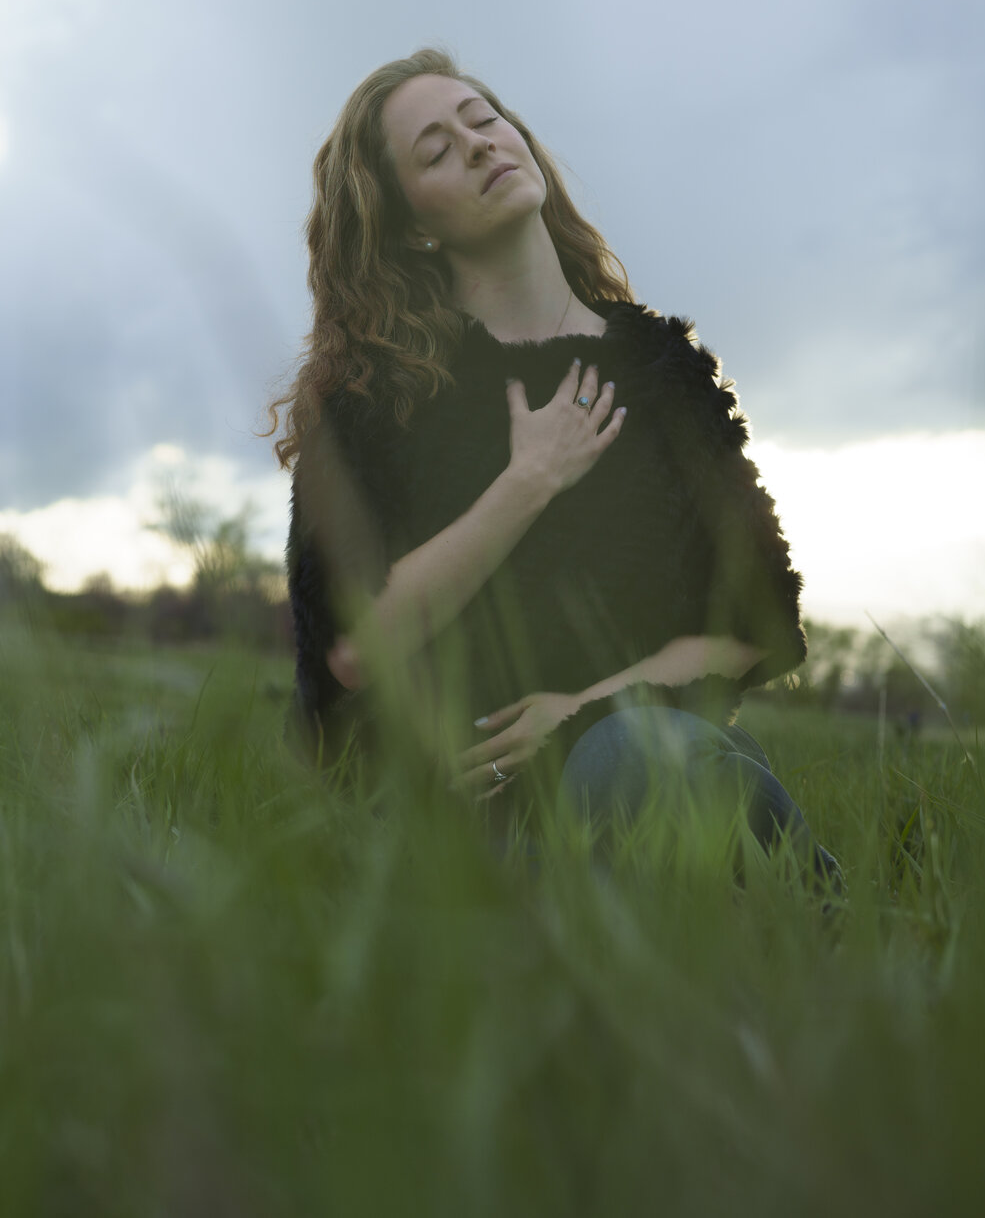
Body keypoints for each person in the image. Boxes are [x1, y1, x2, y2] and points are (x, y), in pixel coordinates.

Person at [263, 46, 842, 893]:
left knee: (643, 754)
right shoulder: (374, 398)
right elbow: (346, 653)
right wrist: (526, 482)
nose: (476, 144)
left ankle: (807, 913)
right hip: (445, 814)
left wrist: (579, 713)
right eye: (436, 150)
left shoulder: (661, 370)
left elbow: (756, 615)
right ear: (413, 223)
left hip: (628, 765)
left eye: (483, 119)